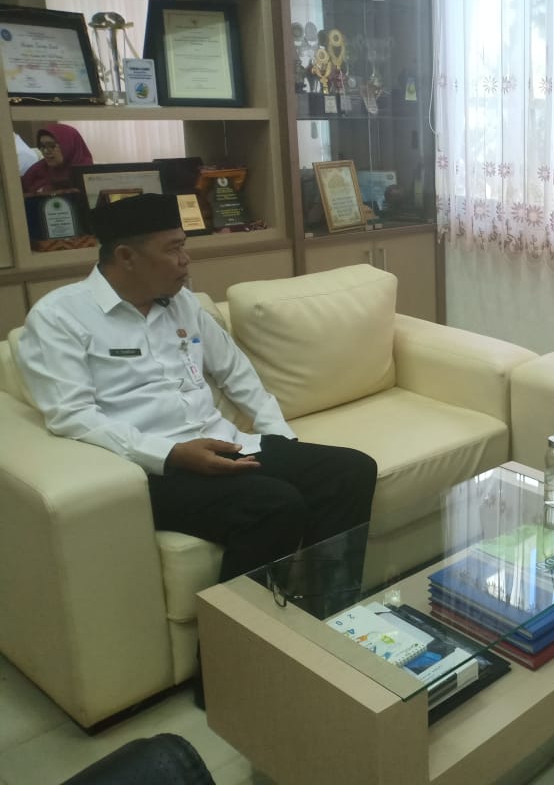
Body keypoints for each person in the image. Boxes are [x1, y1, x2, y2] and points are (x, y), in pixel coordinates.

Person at [16, 193, 377, 586]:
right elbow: (72, 415)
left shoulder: (182, 303)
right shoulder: (59, 317)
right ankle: (237, 625)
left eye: (183, 246)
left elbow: (235, 371)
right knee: (276, 505)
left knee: (351, 471)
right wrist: (171, 454)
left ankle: (331, 605)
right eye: (173, 249)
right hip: (149, 470)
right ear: (126, 257)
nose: (185, 260)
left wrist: (279, 436)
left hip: (224, 444)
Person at [20, 124, 93, 195]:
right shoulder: (38, 170)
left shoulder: (88, 174)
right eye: (42, 146)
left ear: (68, 145)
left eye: (51, 146)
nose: (45, 151)